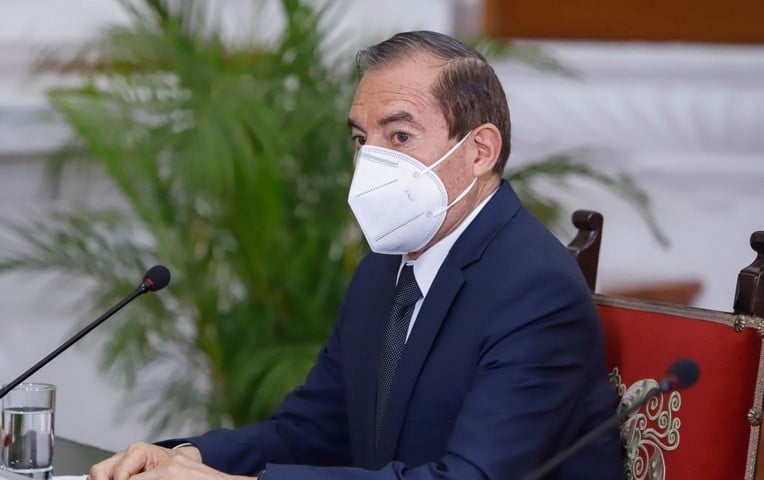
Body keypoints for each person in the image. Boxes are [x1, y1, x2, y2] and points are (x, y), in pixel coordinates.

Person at [89, 30, 623, 480]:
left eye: (400, 135)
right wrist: (188, 457)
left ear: (480, 150)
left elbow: (470, 477)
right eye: (361, 139)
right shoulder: (382, 271)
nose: (370, 161)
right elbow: (314, 429)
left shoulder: (535, 290)